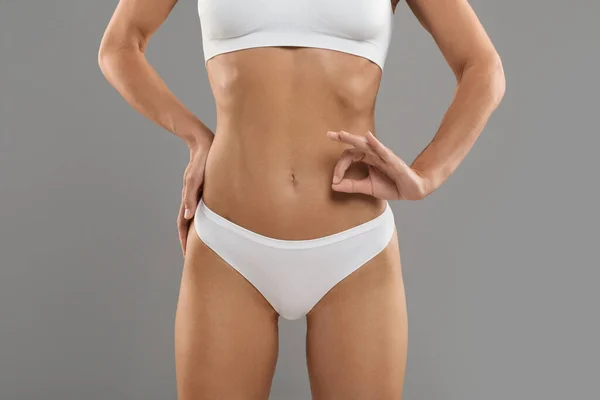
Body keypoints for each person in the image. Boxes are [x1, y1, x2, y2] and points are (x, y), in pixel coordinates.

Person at [98, 0, 505, 398]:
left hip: (355, 250)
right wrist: (195, 136)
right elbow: (118, 46)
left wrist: (427, 174)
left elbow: (483, 67)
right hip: (229, 246)